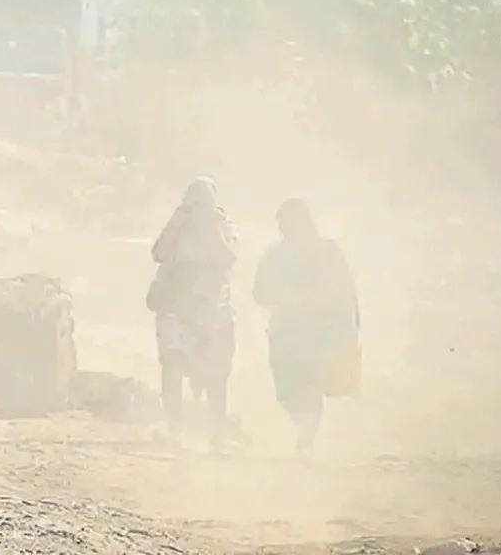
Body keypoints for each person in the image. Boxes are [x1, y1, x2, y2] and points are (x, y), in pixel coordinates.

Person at [253, 198, 360, 455]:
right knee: (287, 391)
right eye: (282, 222)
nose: (284, 227)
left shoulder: (328, 252)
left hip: (320, 332)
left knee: (312, 384)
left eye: (288, 221)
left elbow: (346, 290)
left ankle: (307, 435)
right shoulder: (274, 256)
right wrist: (280, 298)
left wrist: (351, 326)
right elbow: (259, 293)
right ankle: (306, 427)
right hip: (287, 333)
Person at [147, 176, 238, 448]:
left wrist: (211, 229)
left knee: (215, 373)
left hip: (212, 308)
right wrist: (177, 223)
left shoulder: (222, 223)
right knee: (172, 365)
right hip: (176, 307)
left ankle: (217, 434)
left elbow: (229, 257)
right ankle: (174, 428)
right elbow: (159, 253)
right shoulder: (179, 223)